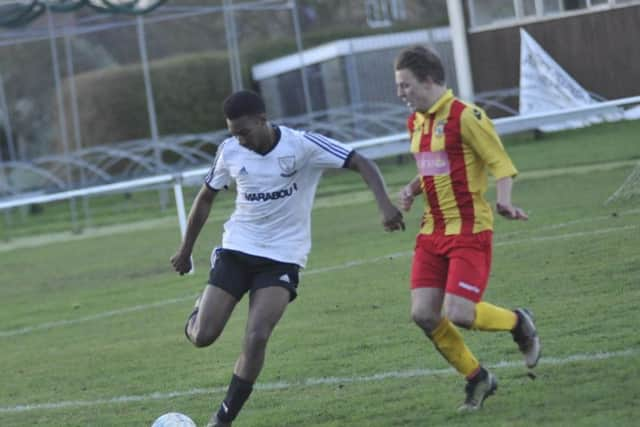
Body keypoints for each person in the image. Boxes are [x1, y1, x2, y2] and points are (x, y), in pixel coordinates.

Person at [170, 90, 405, 427]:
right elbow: (206, 197)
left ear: (262, 120)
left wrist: (384, 204)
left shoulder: (302, 145)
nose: (240, 139)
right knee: (202, 336)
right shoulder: (230, 151)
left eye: (244, 131)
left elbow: (359, 161)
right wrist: (185, 249)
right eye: (233, 133)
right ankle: (200, 307)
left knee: (257, 335)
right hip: (238, 249)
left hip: (282, 256)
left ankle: (223, 419)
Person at [393, 46, 541, 411]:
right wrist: (412, 189)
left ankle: (518, 322)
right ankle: (478, 378)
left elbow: (501, 165)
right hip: (432, 232)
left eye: (406, 85)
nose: (401, 94)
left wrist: (504, 199)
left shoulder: (467, 116)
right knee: (423, 314)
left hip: (469, 229)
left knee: (459, 312)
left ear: (429, 80)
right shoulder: (416, 121)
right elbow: (433, 164)